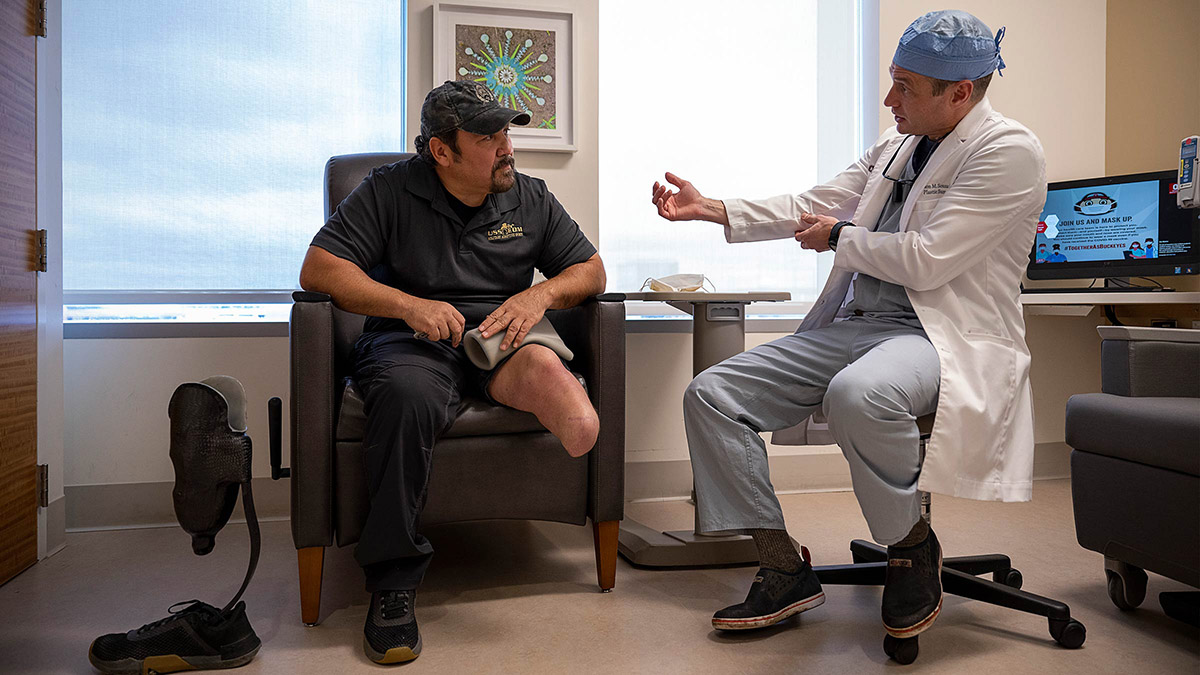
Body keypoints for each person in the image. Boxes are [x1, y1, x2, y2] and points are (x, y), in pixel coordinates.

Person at [650, 10, 1044, 641]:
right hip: (859, 324)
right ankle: (783, 566)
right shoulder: (898, 145)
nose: (890, 100)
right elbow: (816, 202)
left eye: (905, 87)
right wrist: (713, 208)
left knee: (859, 394)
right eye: (892, 80)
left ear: (960, 93)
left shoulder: (1009, 152)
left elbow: (928, 258)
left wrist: (839, 237)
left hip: (938, 335)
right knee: (712, 393)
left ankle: (910, 545)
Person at [299, 80, 606, 664]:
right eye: (488, 138)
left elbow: (590, 270)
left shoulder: (530, 196)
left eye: (506, 132)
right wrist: (408, 305)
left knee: (575, 414)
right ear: (442, 150)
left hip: (499, 338)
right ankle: (393, 584)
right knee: (407, 396)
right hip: (413, 340)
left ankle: (539, 388)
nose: (507, 147)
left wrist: (538, 297)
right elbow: (320, 268)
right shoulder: (387, 189)